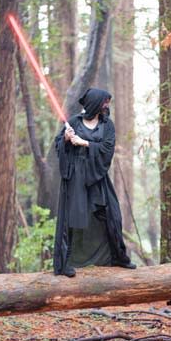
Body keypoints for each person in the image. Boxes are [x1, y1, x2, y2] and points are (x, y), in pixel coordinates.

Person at [53, 88, 137, 277]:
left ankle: (118, 257)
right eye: (104, 102)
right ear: (95, 103)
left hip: (97, 175)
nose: (107, 106)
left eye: (108, 102)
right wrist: (66, 139)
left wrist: (85, 143)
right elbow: (58, 146)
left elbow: (107, 149)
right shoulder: (74, 122)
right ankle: (64, 263)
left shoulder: (107, 125)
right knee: (71, 220)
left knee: (111, 213)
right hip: (76, 176)